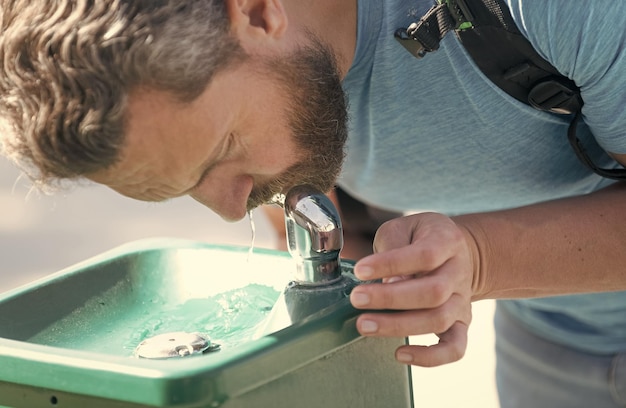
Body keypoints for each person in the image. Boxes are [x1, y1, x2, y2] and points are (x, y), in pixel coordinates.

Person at [1, 0, 625, 406]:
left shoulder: (556, 11)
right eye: (188, 186)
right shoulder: (275, 83)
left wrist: (481, 260)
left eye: (222, 151)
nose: (229, 209)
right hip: (557, 339)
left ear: (256, 13)